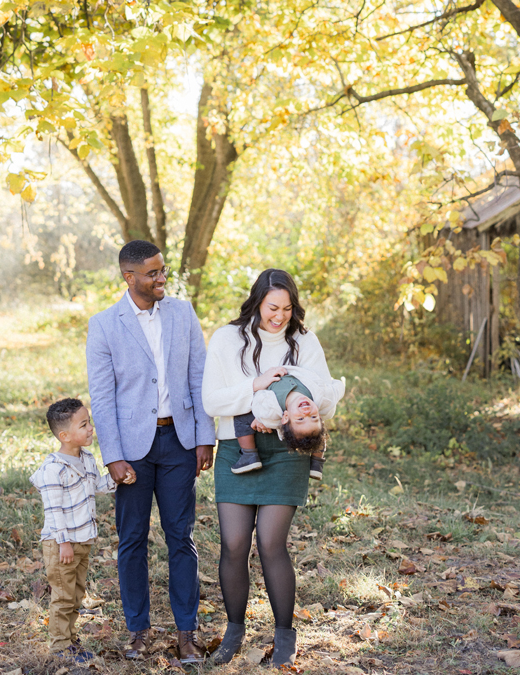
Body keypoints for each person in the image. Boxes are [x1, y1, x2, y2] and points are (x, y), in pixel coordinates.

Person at [86, 240, 216, 663]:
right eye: (153, 273)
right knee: (133, 540)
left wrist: (203, 437)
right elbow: (103, 398)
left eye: (163, 271)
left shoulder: (182, 313)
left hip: (179, 442)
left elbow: (199, 378)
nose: (162, 278)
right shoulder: (105, 325)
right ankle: (138, 630)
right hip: (132, 450)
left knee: (182, 537)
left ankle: (186, 634)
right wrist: (113, 455)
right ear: (129, 277)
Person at [202, 268, 337, 668]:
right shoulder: (227, 339)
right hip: (236, 449)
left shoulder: (305, 341)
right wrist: (257, 387)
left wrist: (290, 408)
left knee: (271, 545)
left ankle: (284, 635)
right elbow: (213, 401)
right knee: (234, 545)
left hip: (286, 453)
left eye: (287, 308)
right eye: (272, 307)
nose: (279, 316)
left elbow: (327, 399)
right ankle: (234, 630)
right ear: (257, 301)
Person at [30, 398, 126, 662]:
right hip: (62, 545)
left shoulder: (86, 459)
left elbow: (95, 487)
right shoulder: (53, 470)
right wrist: (64, 543)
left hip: (83, 541)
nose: (91, 428)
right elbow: (54, 511)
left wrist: (118, 480)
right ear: (65, 435)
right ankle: (60, 647)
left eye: (89, 422)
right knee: (62, 597)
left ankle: (71, 640)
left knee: (76, 594)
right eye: (83, 425)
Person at [231, 364, 344, 478]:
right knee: (316, 431)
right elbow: (336, 390)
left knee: (241, 415)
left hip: (271, 384)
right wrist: (336, 382)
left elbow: (255, 400)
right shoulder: (323, 398)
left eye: (300, 419)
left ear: (286, 417)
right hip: (290, 371)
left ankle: (249, 454)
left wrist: (260, 417)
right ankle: (317, 460)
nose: (307, 412)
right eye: (314, 417)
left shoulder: (271, 407)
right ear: (318, 414)